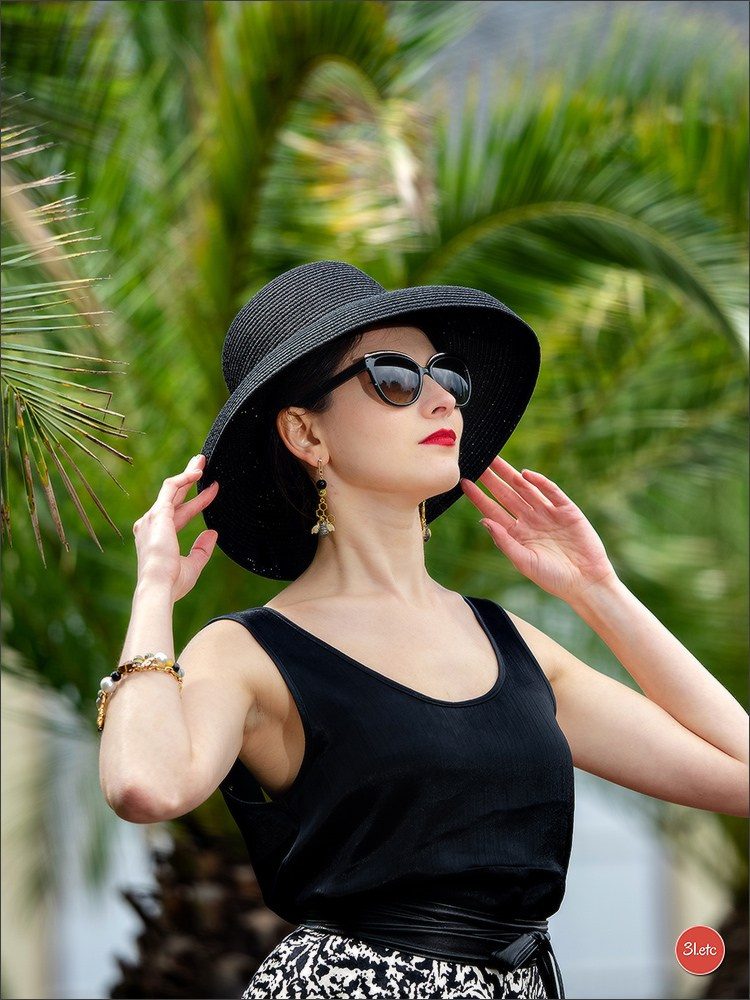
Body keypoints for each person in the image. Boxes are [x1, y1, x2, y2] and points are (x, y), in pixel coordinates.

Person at [98, 261, 748, 1000]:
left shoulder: (513, 646)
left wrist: (599, 591)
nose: (440, 398)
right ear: (305, 432)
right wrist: (154, 594)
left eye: (448, 376)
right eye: (394, 379)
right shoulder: (248, 652)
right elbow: (145, 786)